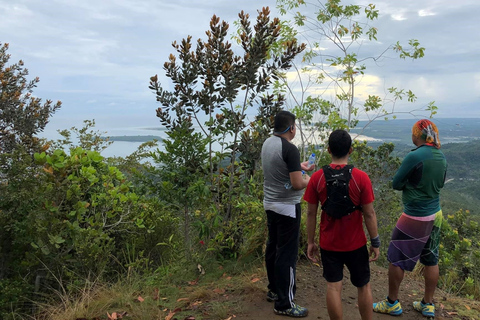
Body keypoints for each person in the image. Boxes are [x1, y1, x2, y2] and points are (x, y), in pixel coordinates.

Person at [373, 119, 447, 318]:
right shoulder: (441, 156)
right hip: (436, 214)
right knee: (431, 260)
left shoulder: (415, 156)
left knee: (396, 258)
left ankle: (392, 303)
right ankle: (427, 304)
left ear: (418, 135)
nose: (411, 136)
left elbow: (396, 183)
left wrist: (410, 186)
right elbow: (440, 183)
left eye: (413, 133)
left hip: (415, 215)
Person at [304, 129, 380, 320]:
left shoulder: (317, 177)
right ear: (351, 150)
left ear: (329, 150)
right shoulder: (361, 177)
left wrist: (310, 242)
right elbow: (369, 214)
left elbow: (311, 213)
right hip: (356, 243)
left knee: (333, 287)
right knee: (363, 286)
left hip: (329, 243)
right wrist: (375, 242)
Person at [261, 110, 314, 317]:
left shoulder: (268, 144)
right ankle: (285, 303)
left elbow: (279, 170)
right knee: (287, 254)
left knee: (273, 247)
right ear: (291, 127)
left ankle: (274, 290)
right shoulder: (290, 149)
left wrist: (297, 167)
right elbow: (296, 183)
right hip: (287, 207)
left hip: (270, 204)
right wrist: (309, 179)